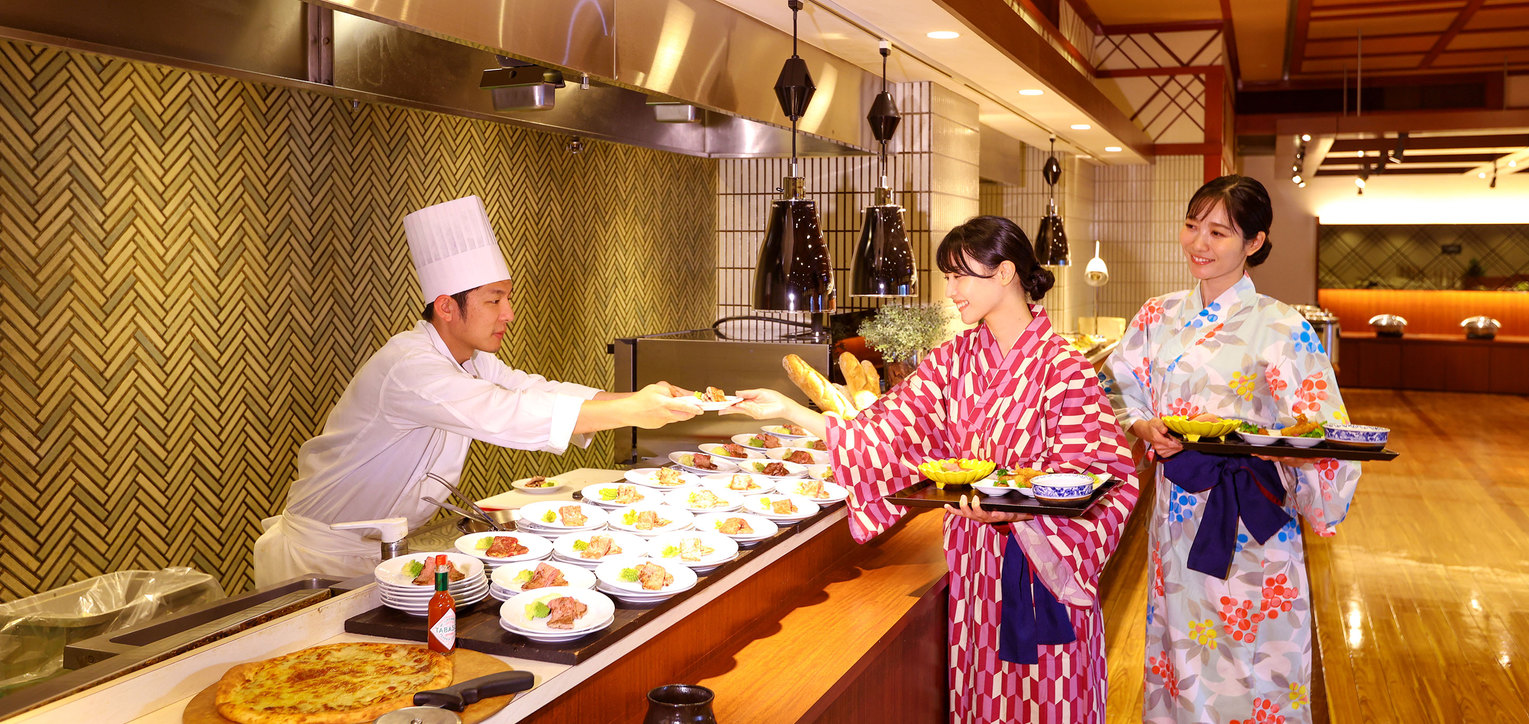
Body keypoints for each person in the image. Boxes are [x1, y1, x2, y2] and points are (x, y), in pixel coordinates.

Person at [728, 215, 1139, 724]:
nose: (951, 291)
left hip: (1043, 571)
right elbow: (885, 429)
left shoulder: (1065, 368)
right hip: (975, 567)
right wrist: (791, 411)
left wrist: (1017, 515)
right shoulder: (951, 361)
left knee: (1050, 702)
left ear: (1006, 273)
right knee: (981, 699)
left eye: (959, 276)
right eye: (947, 277)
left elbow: (1102, 477)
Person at [254, 196, 700, 585]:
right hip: (318, 557)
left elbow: (534, 391)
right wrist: (634, 411)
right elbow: (503, 412)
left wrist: (639, 398)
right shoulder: (410, 366)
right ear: (447, 307)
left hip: (383, 551)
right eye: (493, 300)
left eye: (507, 298)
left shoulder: (472, 359)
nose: (507, 314)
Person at [1105, 175, 1361, 724]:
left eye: (1219, 232)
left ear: (1254, 243)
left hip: (1251, 521)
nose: (1199, 242)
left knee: (1247, 658)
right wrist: (1144, 423)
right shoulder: (1157, 315)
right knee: (1181, 650)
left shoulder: (1282, 326)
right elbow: (1118, 383)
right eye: (1193, 225)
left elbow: (1327, 429)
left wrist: (1298, 452)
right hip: (1176, 516)